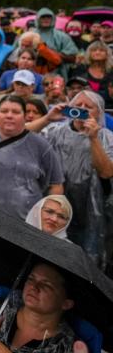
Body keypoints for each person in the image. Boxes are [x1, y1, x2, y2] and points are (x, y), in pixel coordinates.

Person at [27, 90, 113, 267]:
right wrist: (48, 118)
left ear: (99, 113)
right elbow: (20, 134)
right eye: (77, 105)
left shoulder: (107, 137)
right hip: (55, 205)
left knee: (85, 258)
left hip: (90, 209)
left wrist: (93, 138)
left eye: (88, 107)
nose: (81, 109)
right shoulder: (54, 131)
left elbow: (106, 172)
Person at [0, 262, 80, 353]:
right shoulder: (2, 308)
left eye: (46, 285)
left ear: (66, 303)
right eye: (31, 279)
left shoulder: (65, 345)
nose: (34, 287)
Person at [69, 40, 113, 108]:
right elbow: (73, 91)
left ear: (107, 54)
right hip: (83, 107)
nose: (97, 52)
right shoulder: (80, 69)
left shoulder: (111, 72)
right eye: (94, 50)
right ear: (89, 53)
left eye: (101, 50)